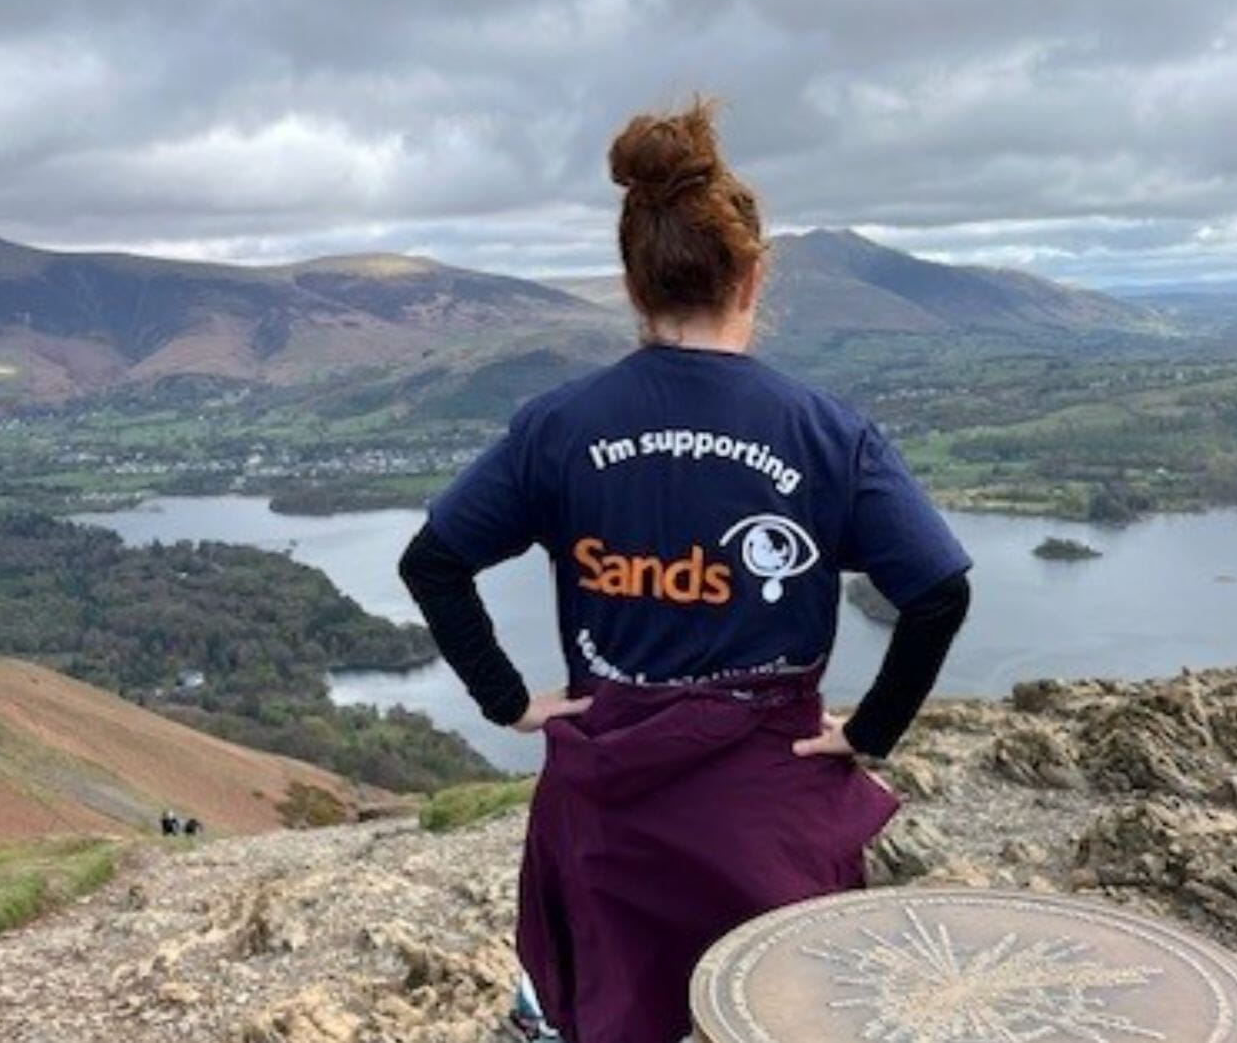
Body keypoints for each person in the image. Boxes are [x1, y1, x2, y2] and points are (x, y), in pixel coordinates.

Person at [399, 97, 972, 1043]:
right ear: (752, 277)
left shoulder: (558, 426)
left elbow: (434, 563)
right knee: (779, 1014)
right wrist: (870, 731)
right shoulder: (826, 432)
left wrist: (509, 700)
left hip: (607, 801)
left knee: (615, 1012)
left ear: (633, 283)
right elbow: (938, 591)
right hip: (768, 807)